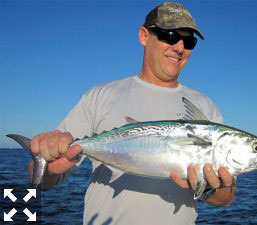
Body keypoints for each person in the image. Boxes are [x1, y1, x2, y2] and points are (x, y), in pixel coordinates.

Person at [30, 2, 236, 225]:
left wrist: (207, 189)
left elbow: (226, 198)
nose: (179, 47)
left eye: (189, 41)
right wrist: (48, 167)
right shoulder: (100, 95)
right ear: (144, 36)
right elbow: (43, 178)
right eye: (169, 35)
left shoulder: (204, 105)